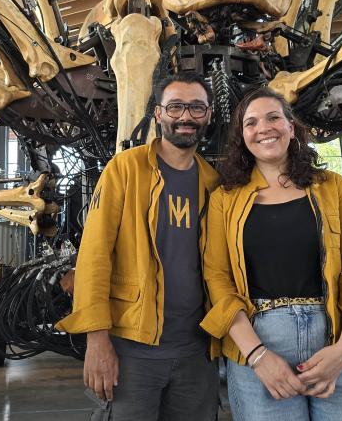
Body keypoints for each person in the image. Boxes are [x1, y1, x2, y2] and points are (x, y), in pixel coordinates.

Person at [201, 87, 342, 420]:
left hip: (335, 334)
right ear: (242, 136)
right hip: (259, 339)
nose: (264, 128)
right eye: (251, 122)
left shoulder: (332, 186)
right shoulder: (224, 199)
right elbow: (217, 277)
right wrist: (257, 355)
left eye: (274, 117)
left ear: (291, 127)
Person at [56, 72, 221, 421]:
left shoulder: (213, 182)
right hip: (132, 352)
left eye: (196, 107)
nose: (186, 117)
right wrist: (97, 341)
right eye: (175, 106)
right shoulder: (125, 169)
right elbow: (94, 256)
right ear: (158, 114)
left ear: (208, 115)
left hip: (196, 353)